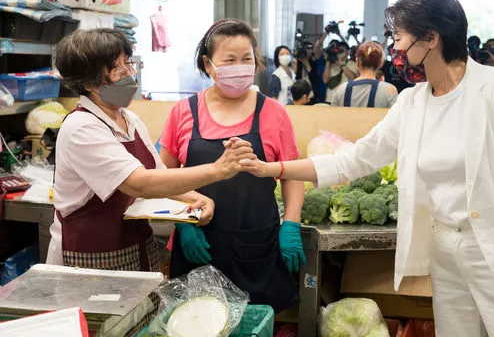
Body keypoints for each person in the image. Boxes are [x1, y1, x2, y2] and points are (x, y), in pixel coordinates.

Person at [239, 0, 494, 337]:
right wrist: (275, 169)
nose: (394, 48)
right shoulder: (413, 103)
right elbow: (357, 159)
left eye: (399, 37)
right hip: (448, 254)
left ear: (431, 38)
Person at [48, 29, 258, 271]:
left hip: (137, 247)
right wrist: (218, 170)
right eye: (116, 70)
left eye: (128, 64)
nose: (129, 75)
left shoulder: (130, 120)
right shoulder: (81, 127)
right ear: (87, 83)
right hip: (89, 257)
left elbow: (158, 174)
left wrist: (195, 198)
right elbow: (140, 183)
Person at [160, 19, 305, 313]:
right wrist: (182, 224)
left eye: (246, 59)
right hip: (197, 246)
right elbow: (163, 177)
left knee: (255, 325)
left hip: (256, 248)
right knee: (193, 323)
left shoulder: (273, 113)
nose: (239, 67)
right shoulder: (183, 112)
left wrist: (291, 223)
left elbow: (292, 175)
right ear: (208, 64)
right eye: (229, 60)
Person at [331, 41, 398, 108]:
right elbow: (395, 117)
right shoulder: (389, 90)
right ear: (380, 63)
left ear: (357, 62)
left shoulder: (342, 89)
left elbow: (333, 115)